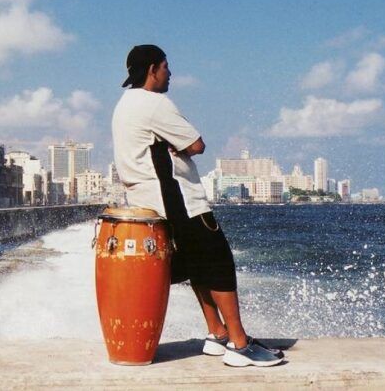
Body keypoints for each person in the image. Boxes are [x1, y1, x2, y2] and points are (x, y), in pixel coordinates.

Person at [111, 44, 284, 367]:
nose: (170, 73)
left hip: (150, 204)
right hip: (179, 200)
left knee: (195, 267)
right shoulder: (154, 104)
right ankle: (239, 343)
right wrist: (178, 148)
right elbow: (196, 144)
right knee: (218, 263)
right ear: (152, 70)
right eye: (165, 67)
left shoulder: (124, 105)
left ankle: (217, 333)